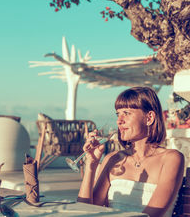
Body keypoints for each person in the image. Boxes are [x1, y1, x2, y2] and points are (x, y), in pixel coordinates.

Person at [77, 86, 184, 217]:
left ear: (149, 118)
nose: (119, 120)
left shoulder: (171, 159)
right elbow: (84, 211)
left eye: (126, 113)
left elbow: (152, 215)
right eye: (118, 114)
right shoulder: (113, 159)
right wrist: (91, 165)